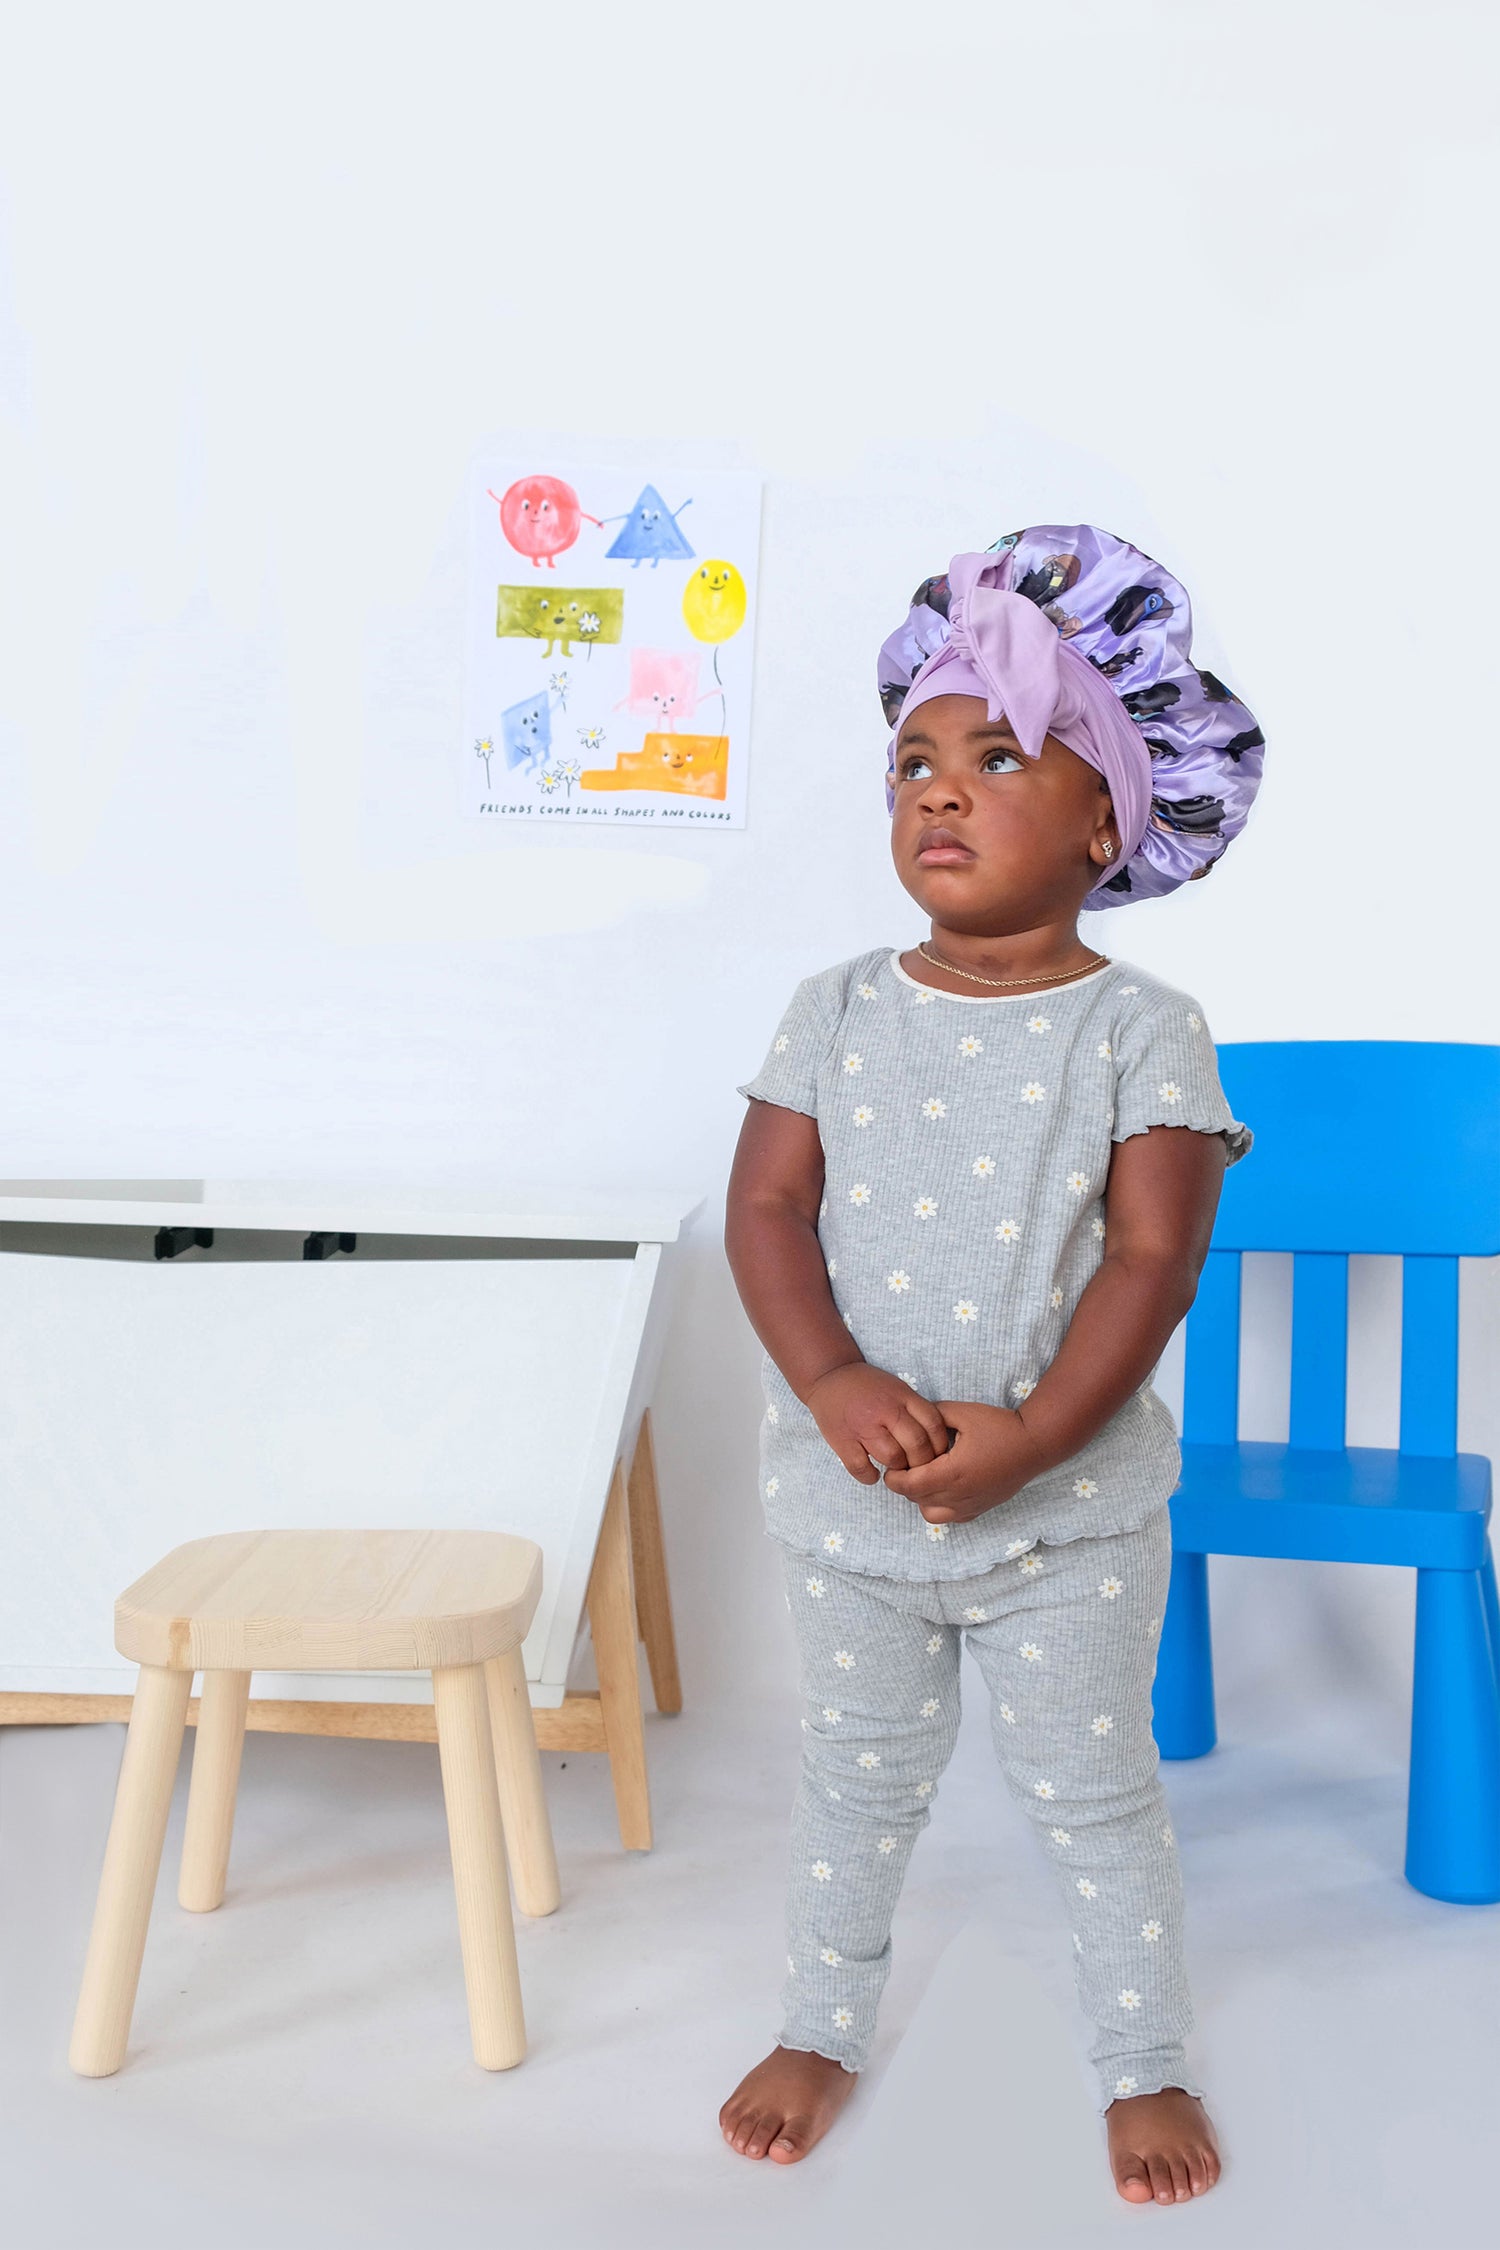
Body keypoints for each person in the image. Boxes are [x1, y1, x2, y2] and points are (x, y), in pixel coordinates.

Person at [718, 526, 1264, 2204]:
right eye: (914, 763)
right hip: (853, 1514)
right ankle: (822, 2019)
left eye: (999, 756)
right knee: (855, 1779)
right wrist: (831, 1382)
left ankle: (1143, 2055)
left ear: (1107, 820)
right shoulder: (832, 1006)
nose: (939, 789)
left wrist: (1032, 1437)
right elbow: (765, 1210)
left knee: (1094, 1795)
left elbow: (1157, 1260)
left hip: (1068, 1527)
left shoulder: (1145, 1028)